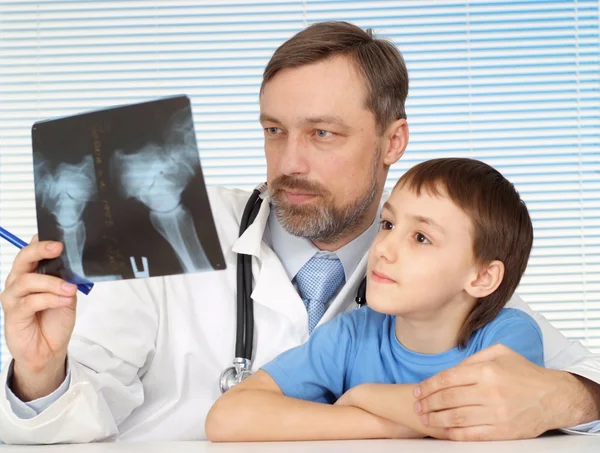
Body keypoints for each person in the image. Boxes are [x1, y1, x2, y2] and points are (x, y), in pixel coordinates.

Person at [0, 21, 598, 444]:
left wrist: (558, 399)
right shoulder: (163, 222)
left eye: (323, 134)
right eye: (274, 130)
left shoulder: (436, 255)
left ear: (393, 141)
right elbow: (77, 411)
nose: (288, 163)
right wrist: (39, 372)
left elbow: (580, 380)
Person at [205, 157, 544, 441]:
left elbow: (476, 415)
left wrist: (363, 397)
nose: (384, 249)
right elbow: (227, 417)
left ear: (482, 277)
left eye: (421, 237)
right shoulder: (351, 336)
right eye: (388, 224)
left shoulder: (509, 338)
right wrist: (388, 423)